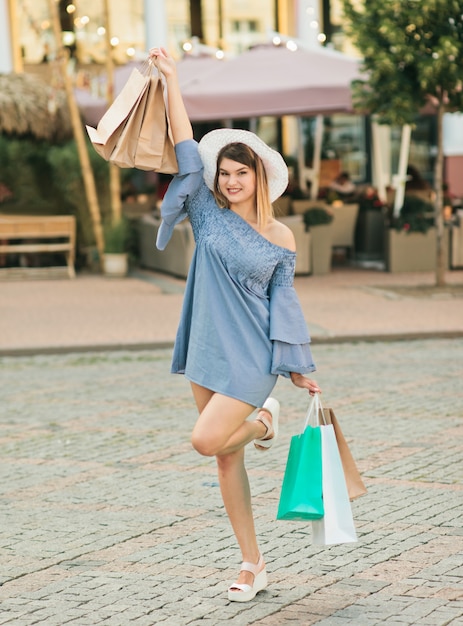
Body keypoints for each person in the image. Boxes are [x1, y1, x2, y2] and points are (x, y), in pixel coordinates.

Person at [149, 47, 321, 603]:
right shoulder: (205, 212)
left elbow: (285, 304)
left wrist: (295, 367)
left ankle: (265, 422)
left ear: (259, 177)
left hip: (251, 360)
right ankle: (252, 563)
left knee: (207, 440)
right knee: (226, 456)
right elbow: (183, 142)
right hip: (205, 347)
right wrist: (172, 79)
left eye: (239, 173)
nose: (228, 182)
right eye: (223, 174)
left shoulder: (281, 238)